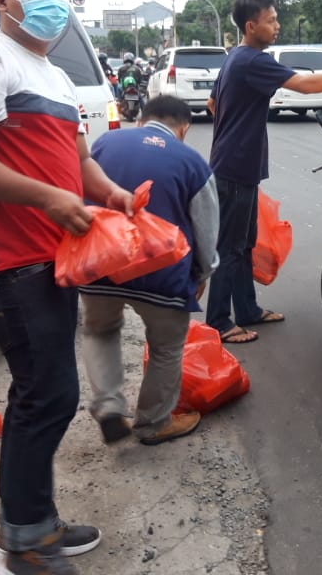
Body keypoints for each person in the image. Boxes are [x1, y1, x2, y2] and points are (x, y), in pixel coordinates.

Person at [0, 0, 134, 575]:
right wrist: (50, 199)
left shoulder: (55, 77)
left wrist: (109, 192)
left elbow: (77, 161)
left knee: (49, 391)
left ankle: (37, 523)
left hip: (52, 258)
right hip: (6, 261)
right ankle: (20, 543)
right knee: (46, 394)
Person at [205, 0, 322, 344]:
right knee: (230, 247)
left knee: (243, 243)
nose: (277, 25)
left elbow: (213, 104)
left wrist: (236, 129)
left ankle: (247, 310)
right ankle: (219, 322)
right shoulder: (251, 60)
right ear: (250, 26)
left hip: (235, 163)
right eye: (270, 20)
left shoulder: (236, 59)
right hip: (235, 167)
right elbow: (303, 85)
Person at [80, 95, 218, 447]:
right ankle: (152, 423)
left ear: (141, 121)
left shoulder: (103, 143)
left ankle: (109, 406)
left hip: (101, 264)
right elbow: (206, 228)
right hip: (163, 273)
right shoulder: (192, 161)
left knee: (100, 332)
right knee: (166, 347)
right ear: (183, 129)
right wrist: (203, 273)